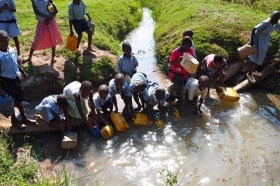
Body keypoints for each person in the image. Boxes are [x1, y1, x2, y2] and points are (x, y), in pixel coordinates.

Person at [0, 30, 36, 129]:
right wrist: (0, 89)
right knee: (10, 102)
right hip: (6, 82)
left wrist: (23, 72)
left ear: (8, 40)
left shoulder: (12, 50)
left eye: (5, 41)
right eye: (0, 41)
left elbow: (16, 63)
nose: (3, 43)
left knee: (19, 99)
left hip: (16, 79)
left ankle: (23, 117)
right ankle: (14, 121)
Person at [247, 11, 280, 83]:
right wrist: (251, 41)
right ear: (271, 17)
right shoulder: (266, 23)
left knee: (260, 56)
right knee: (254, 57)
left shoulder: (276, 24)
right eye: (272, 19)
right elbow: (254, 29)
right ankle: (249, 74)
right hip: (257, 39)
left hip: (265, 41)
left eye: (275, 20)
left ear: (277, 20)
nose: (273, 21)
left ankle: (254, 71)